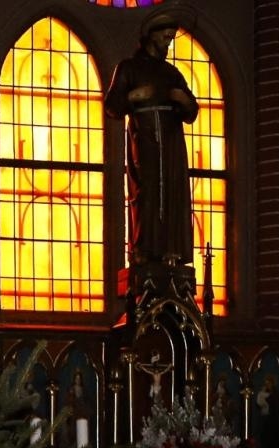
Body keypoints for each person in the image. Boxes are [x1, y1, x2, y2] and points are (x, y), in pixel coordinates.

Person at [105, 10, 199, 266]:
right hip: (144, 137)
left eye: (171, 39)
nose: (168, 44)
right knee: (147, 191)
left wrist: (184, 101)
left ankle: (172, 249)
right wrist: (134, 97)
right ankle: (144, 249)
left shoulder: (172, 73)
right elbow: (112, 106)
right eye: (165, 38)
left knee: (172, 189)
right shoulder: (129, 68)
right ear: (151, 36)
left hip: (171, 140)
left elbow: (191, 112)